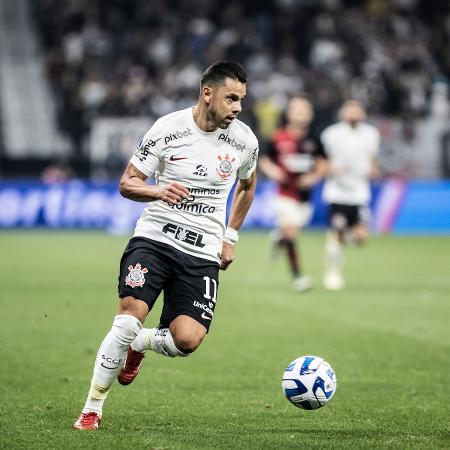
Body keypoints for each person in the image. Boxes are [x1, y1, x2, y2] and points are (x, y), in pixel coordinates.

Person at [73, 61, 259, 430]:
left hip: (202, 250)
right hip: (155, 239)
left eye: (241, 100)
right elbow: (128, 182)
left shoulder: (244, 141)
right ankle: (92, 409)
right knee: (127, 318)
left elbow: (248, 186)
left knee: (187, 340)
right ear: (208, 94)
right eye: (231, 98)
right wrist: (157, 190)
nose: (237, 108)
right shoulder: (167, 129)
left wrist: (230, 236)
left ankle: (139, 345)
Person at [258, 96, 327, 292]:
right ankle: (298, 277)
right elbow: (264, 159)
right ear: (289, 114)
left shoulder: (314, 139)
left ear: (310, 115)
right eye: (297, 111)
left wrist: (314, 177)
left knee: (291, 231)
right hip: (284, 195)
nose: (301, 115)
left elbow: (323, 163)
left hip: (304, 198)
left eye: (305, 111)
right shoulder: (278, 137)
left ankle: (278, 237)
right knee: (292, 233)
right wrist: (274, 172)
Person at [320, 100, 380, 290]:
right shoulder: (331, 134)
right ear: (342, 112)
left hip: (360, 192)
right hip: (337, 192)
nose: (354, 113)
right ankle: (333, 273)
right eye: (350, 110)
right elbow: (321, 161)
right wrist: (331, 169)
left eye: (357, 110)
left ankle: (344, 236)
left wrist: (374, 170)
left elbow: (372, 160)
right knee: (336, 234)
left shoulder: (371, 134)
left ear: (363, 113)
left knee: (361, 238)